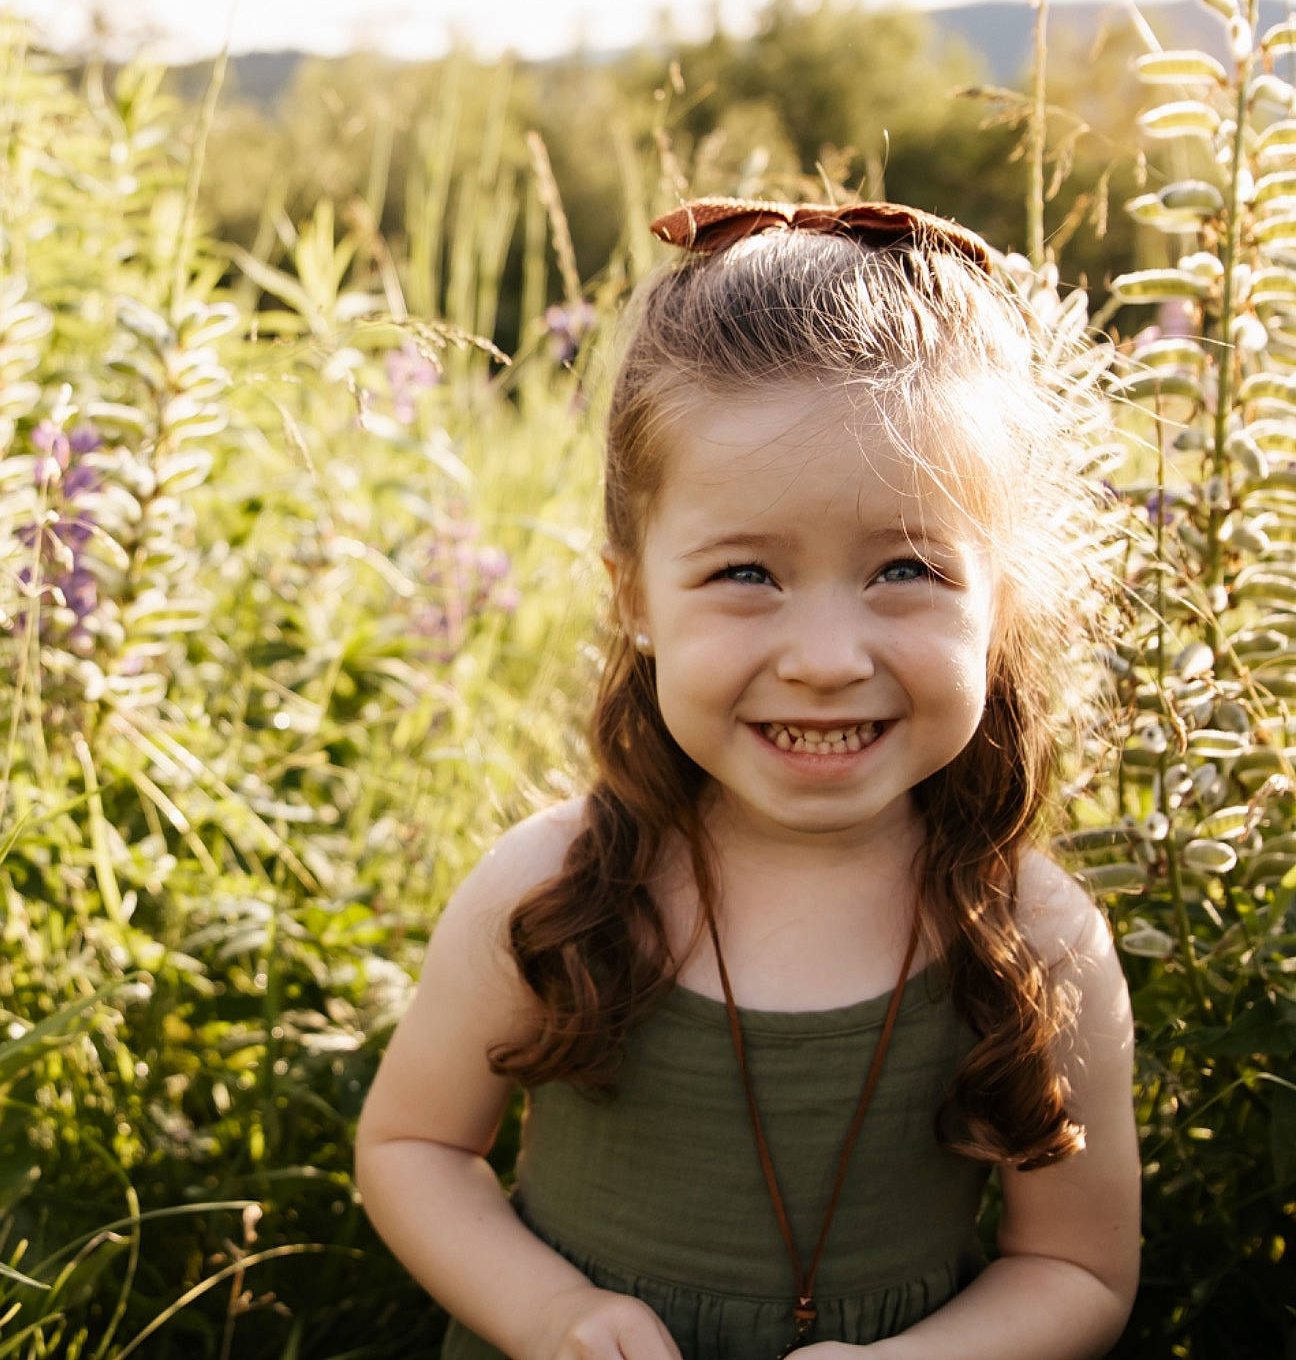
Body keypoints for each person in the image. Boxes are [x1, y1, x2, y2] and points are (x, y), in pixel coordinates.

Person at [352, 198, 1140, 1360]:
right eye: (744, 574)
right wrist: (552, 1314)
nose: (824, 660)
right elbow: (412, 1149)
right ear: (634, 599)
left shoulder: (1033, 936)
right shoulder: (554, 893)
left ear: (1000, 606)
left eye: (905, 569)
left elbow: (1072, 1263)